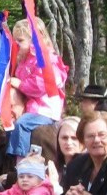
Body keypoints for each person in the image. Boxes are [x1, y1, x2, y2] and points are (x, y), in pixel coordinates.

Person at [7, 18, 68, 158]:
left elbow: (41, 84)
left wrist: (19, 83)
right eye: (15, 40)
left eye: (20, 40)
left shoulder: (45, 60)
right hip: (33, 107)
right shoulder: (25, 60)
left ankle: (20, 158)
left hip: (45, 110)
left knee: (21, 124)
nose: (16, 44)